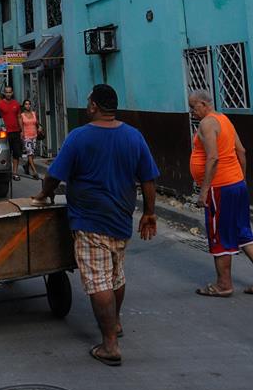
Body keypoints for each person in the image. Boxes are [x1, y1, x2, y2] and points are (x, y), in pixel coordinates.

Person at [33, 84, 159, 367]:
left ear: (93, 107)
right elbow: (148, 179)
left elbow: (54, 175)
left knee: (99, 280)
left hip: (90, 220)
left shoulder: (79, 137)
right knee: (116, 275)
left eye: (89, 102)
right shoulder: (134, 136)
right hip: (121, 219)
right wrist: (149, 213)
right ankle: (114, 325)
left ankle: (110, 345)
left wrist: (43, 193)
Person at [188, 89, 253, 297]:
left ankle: (223, 284)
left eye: (193, 107)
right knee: (242, 231)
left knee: (219, 235)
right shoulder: (224, 119)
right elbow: (241, 151)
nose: (192, 111)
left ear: (203, 104)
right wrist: (242, 179)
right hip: (235, 184)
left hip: (219, 187)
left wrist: (204, 191)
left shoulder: (207, 123)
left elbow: (213, 158)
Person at [0, 85, 23, 180]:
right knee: (6, 153)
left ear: (12, 93)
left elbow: (19, 117)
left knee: (16, 153)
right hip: (5, 133)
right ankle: (7, 172)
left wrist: (21, 130)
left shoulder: (16, 103)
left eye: (9, 92)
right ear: (4, 93)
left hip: (15, 132)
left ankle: (15, 173)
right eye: (6, 92)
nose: (8, 94)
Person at [20, 98, 41, 179]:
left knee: (32, 155)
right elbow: (21, 126)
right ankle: (34, 171)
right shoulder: (22, 115)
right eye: (26, 104)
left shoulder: (34, 113)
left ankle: (26, 166)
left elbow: (37, 123)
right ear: (24, 105)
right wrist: (21, 134)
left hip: (34, 136)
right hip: (27, 137)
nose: (27, 105)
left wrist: (39, 127)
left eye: (29, 104)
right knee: (30, 153)